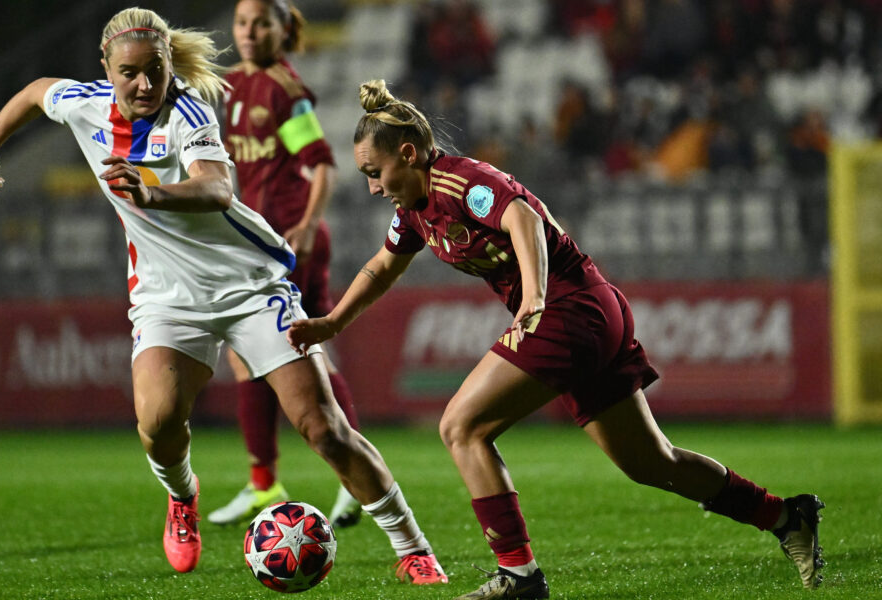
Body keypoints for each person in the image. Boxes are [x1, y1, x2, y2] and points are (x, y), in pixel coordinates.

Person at [287, 79, 825, 599]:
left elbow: (522, 217)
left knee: (461, 427)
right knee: (650, 462)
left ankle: (519, 575)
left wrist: (535, 297)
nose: (372, 187)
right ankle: (785, 516)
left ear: (408, 153)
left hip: (570, 309)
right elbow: (382, 267)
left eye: (374, 172)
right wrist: (332, 322)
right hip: (590, 311)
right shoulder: (414, 210)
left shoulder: (459, 182)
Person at [0, 10, 448, 585]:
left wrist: (153, 191)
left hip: (248, 285)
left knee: (324, 429)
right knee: (159, 420)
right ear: (106, 70)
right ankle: (182, 496)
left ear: (170, 65)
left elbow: (218, 188)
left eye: (155, 71)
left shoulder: (190, 109)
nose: (145, 85)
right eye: (130, 73)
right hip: (167, 298)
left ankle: (413, 548)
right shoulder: (83, 102)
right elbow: (34, 92)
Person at [206, 0, 361, 529]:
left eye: (261, 23)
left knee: (292, 354)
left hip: (289, 241)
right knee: (259, 358)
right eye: (242, 23)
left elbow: (321, 166)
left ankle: (339, 481)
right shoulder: (232, 86)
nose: (249, 32)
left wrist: (307, 227)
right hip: (256, 242)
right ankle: (270, 482)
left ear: (281, 30)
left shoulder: (282, 89)